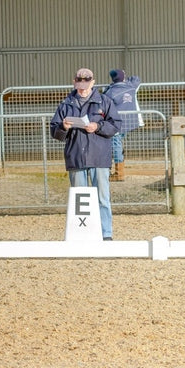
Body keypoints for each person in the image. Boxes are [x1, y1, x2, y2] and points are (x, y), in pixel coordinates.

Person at [50, 68, 121, 240]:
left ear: (93, 83)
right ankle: (82, 233)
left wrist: (98, 126)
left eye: (86, 84)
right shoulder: (65, 104)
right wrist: (63, 128)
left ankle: (106, 234)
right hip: (76, 157)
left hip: (99, 157)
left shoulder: (105, 102)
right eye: (79, 84)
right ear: (74, 82)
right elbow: (54, 131)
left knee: (102, 198)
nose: (82, 88)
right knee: (79, 201)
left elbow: (116, 125)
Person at [104, 69, 142, 182]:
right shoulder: (131, 87)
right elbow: (136, 78)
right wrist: (125, 77)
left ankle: (119, 173)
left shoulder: (110, 91)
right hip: (130, 122)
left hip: (116, 123)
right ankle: (119, 171)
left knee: (116, 145)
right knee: (118, 145)